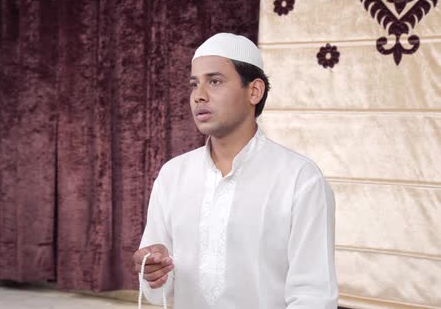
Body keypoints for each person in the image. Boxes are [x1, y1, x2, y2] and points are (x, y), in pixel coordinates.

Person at [132, 33, 338, 309]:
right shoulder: (173, 175)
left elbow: (314, 296)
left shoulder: (300, 179)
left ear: (254, 91)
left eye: (214, 81)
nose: (199, 96)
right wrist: (153, 273)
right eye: (195, 84)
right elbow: (158, 291)